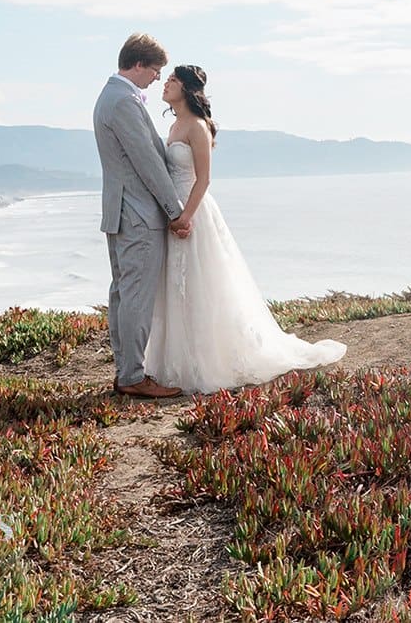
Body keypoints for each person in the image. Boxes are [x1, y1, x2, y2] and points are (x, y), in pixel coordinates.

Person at [145, 64, 346, 393]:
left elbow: (204, 179)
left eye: (172, 80)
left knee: (201, 285)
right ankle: (178, 361)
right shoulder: (174, 125)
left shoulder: (197, 126)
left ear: (187, 89)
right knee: (179, 286)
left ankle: (207, 361)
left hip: (194, 212)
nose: (165, 84)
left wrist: (186, 217)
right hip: (174, 213)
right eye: (165, 79)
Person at [92, 33, 189, 399]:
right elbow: (147, 162)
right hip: (137, 215)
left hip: (120, 212)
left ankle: (127, 371)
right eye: (155, 69)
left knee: (123, 294)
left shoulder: (110, 96)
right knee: (135, 297)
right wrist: (175, 211)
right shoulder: (122, 102)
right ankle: (133, 375)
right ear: (137, 64)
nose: (157, 77)